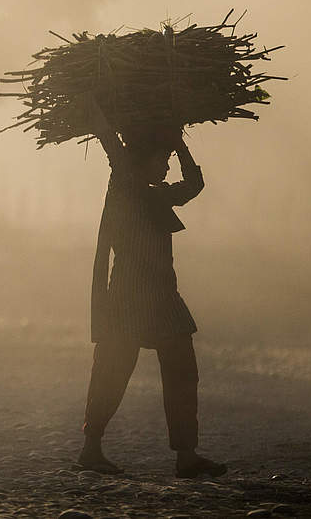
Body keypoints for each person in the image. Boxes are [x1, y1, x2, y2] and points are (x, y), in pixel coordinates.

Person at [76, 102, 227, 478]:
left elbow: (195, 184)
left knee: (182, 371)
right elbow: (114, 149)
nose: (166, 167)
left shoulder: (157, 195)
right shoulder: (126, 187)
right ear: (142, 160)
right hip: (129, 296)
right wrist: (98, 115)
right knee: (112, 371)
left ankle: (186, 456)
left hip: (163, 298)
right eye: (162, 159)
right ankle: (91, 449)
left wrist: (179, 144)